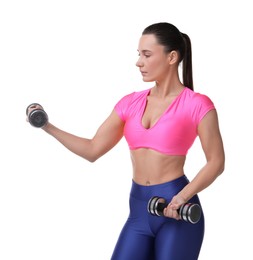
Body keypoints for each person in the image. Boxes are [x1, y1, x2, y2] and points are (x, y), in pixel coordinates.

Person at [27, 22, 225, 260]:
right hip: (139, 212)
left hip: (177, 211)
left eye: (147, 55)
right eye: (139, 54)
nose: (138, 62)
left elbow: (216, 162)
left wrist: (182, 197)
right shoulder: (129, 103)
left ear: (172, 57)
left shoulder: (197, 104)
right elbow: (92, 149)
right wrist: (47, 126)